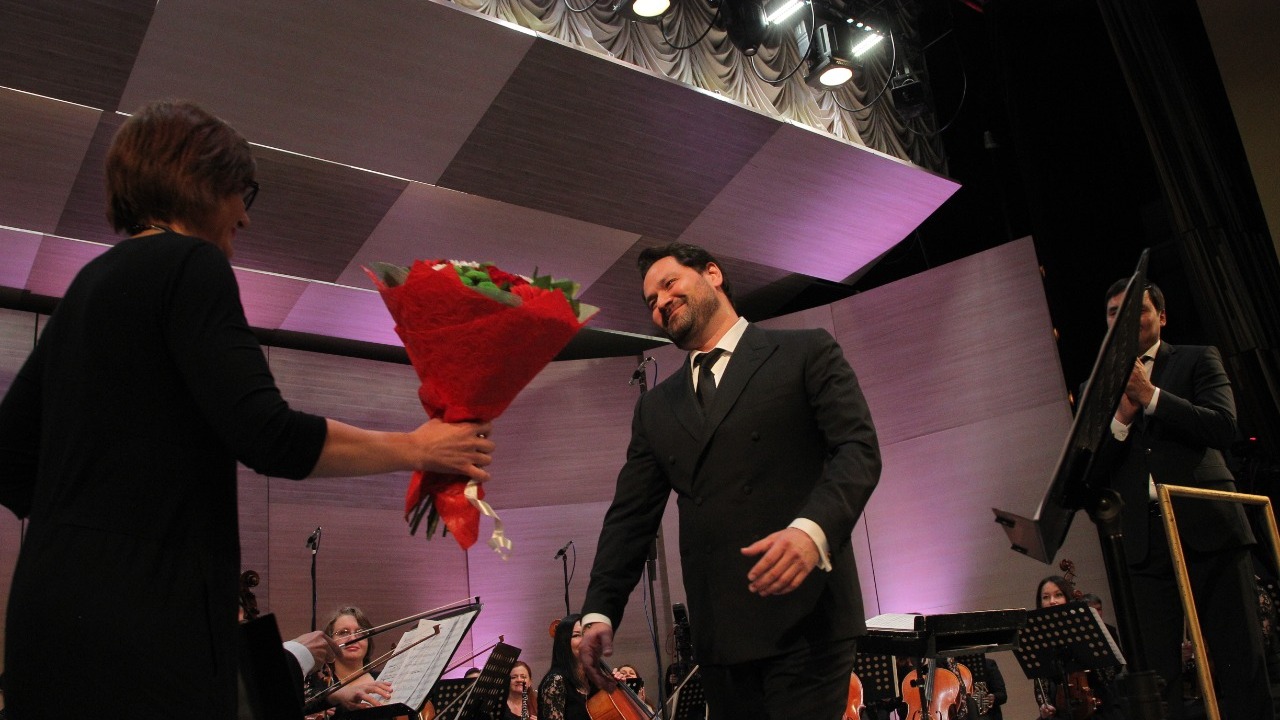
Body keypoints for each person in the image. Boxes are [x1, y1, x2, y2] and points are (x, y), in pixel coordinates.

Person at [0, 100, 496, 720]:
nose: (244, 215)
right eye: (243, 191)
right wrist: (420, 447)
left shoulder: (88, 285)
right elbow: (268, 434)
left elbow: (9, 457)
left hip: (48, 617)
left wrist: (96, 525)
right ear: (201, 181)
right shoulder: (191, 263)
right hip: (149, 624)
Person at [578, 243, 881, 720]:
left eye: (669, 284)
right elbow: (630, 518)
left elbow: (858, 450)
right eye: (651, 301)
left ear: (713, 274)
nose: (660, 303)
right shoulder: (655, 408)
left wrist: (812, 532)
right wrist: (600, 610)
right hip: (721, 639)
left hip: (808, 625)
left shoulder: (804, 352)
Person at [1099, 279, 1272, 720]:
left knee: (1238, 657)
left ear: (1161, 316)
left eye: (1137, 309)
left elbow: (1223, 426)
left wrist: (1151, 396)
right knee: (1157, 676)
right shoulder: (1095, 387)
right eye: (1114, 312)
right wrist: (1121, 420)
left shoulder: (1197, 358)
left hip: (1209, 524)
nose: (1124, 319)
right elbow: (1090, 471)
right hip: (1144, 540)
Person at [1031, 576, 1122, 720]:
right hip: (1061, 708)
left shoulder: (1086, 628)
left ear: (1068, 598)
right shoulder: (1041, 637)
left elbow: (1109, 676)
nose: (1052, 601)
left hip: (1097, 704)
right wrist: (1044, 704)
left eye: (1058, 595)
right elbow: (1042, 680)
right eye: (1046, 597)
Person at [539, 614, 591, 720]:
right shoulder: (556, 680)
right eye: (576, 635)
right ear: (564, 642)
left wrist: (618, 687)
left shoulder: (594, 680)